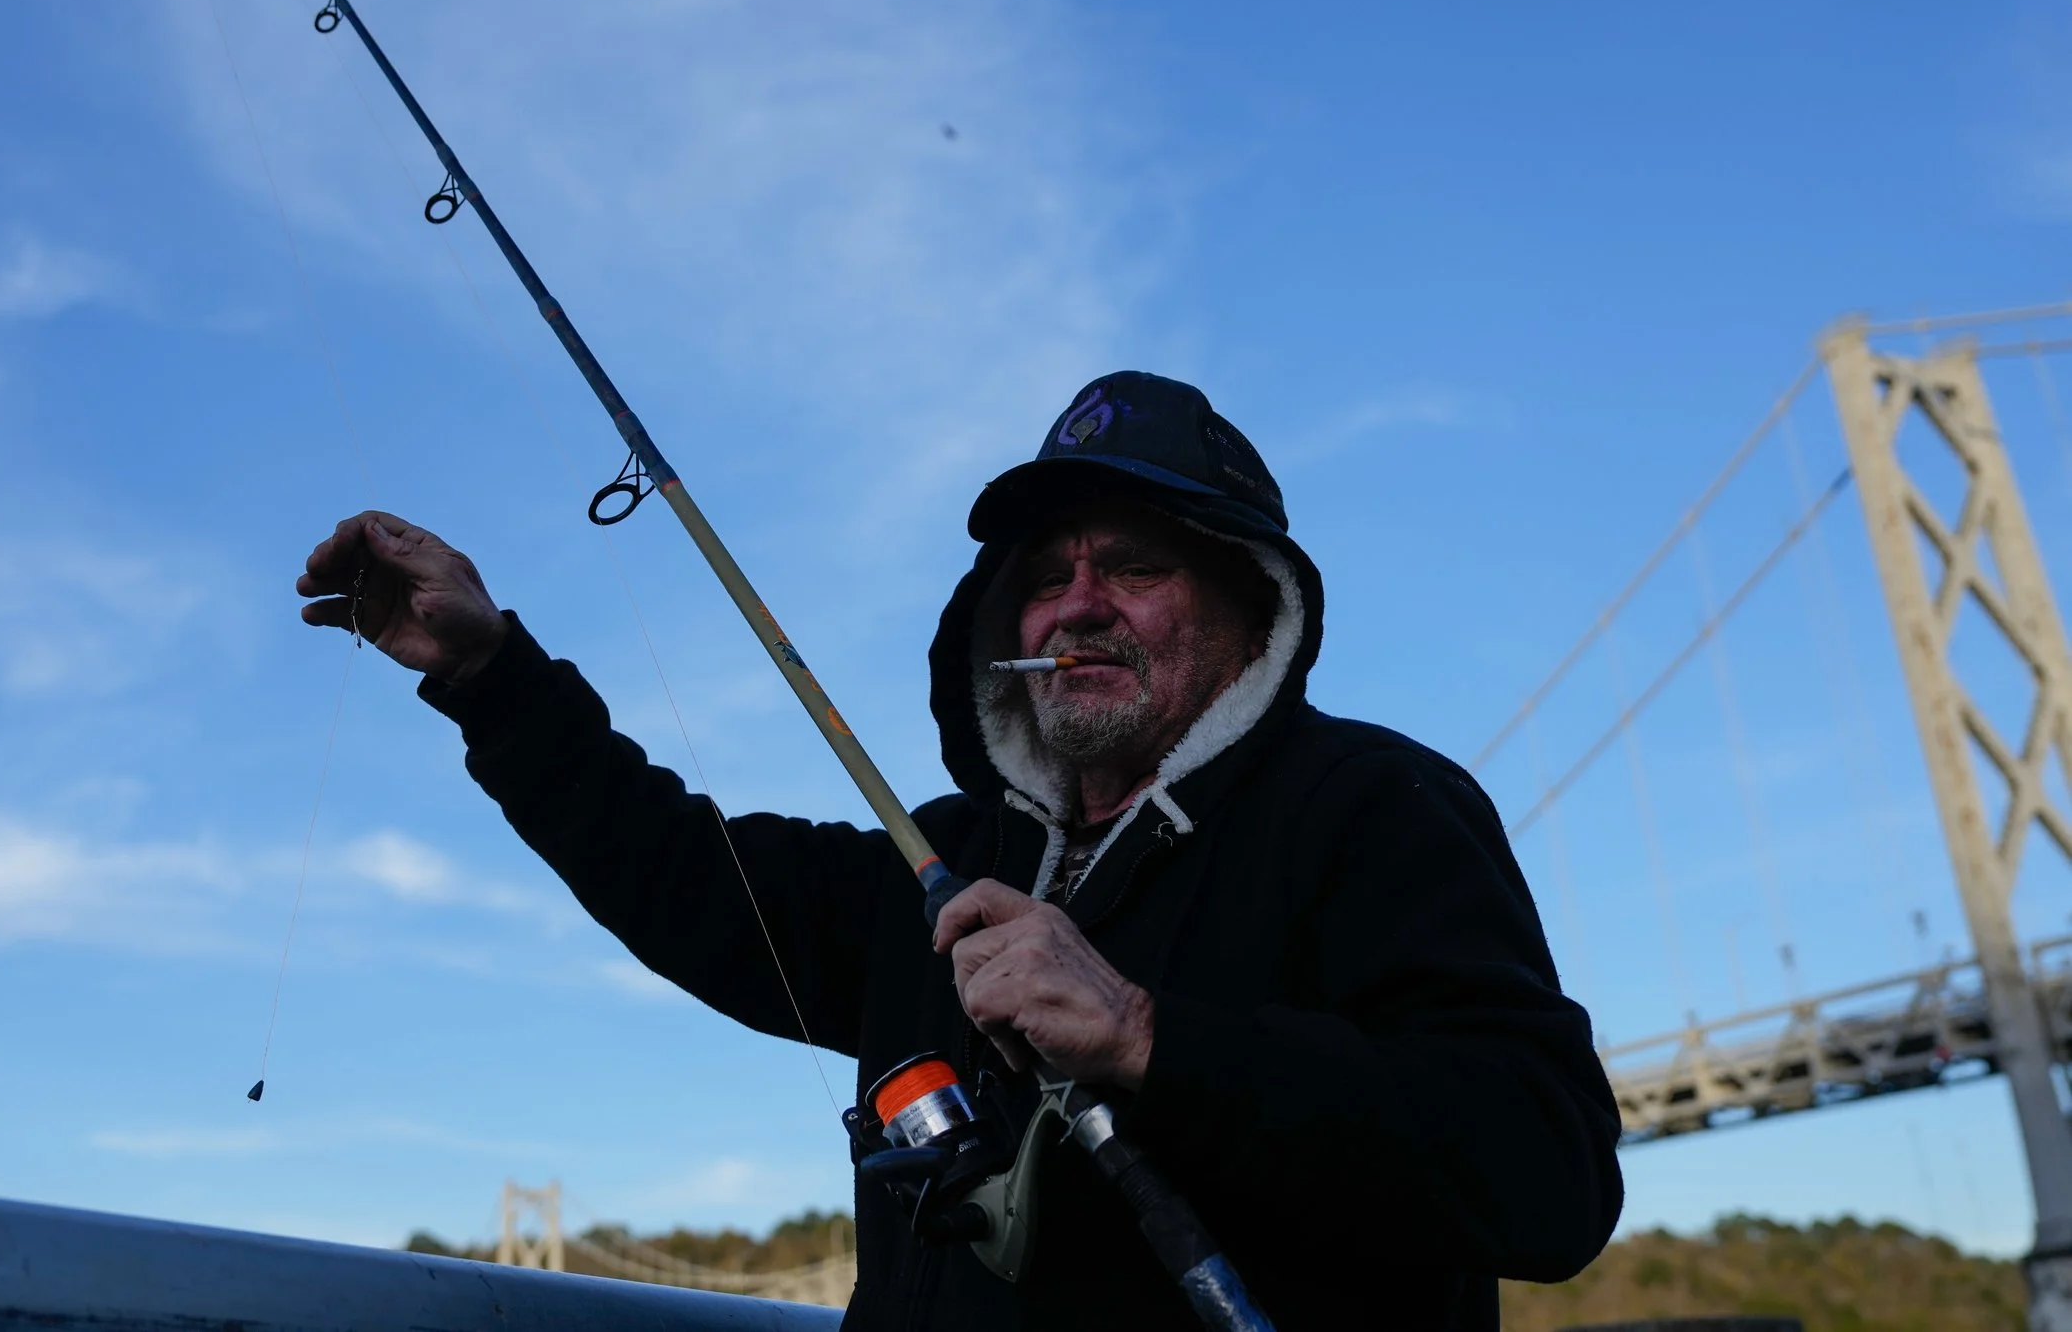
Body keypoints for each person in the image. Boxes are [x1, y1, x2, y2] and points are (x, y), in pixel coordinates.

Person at [297, 370, 1622, 1329]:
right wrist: (487, 670)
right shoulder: (935, 857)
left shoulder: (1376, 806)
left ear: (1246, 601)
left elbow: (1548, 1171)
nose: (1081, 603)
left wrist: (1151, 1035)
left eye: (1136, 564)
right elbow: (683, 877)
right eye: (1047, 575)